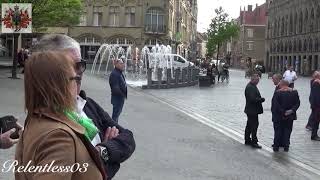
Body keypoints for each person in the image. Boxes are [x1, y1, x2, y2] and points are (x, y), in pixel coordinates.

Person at [32, 34, 135, 179]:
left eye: (80, 64)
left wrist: (102, 151)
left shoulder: (87, 104)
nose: (78, 73)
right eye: (67, 67)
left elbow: (128, 139)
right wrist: (107, 159)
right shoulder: (49, 129)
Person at [15, 51, 105, 180]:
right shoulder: (59, 137)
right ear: (60, 85)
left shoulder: (36, 118)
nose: (79, 84)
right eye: (76, 79)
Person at [271, 80, 300, 152]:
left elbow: (276, 105)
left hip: (279, 115)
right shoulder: (294, 92)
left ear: (282, 84)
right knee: (287, 131)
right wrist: (291, 110)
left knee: (278, 131)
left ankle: (276, 147)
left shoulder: (278, 93)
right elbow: (297, 103)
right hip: (290, 116)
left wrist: (283, 112)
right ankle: (286, 146)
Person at [244, 74, 265, 148]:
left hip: (251, 109)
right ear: (253, 79)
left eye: (258, 80)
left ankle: (247, 139)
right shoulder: (250, 87)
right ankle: (254, 142)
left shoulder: (252, 86)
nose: (258, 81)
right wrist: (261, 99)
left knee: (249, 125)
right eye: (257, 80)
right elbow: (252, 99)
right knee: (254, 125)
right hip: (252, 110)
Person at [310, 73, 320, 141]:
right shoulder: (316, 83)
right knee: (316, 121)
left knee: (316, 120)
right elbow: (316, 96)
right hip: (317, 106)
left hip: (316, 105)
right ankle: (314, 135)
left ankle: (315, 135)